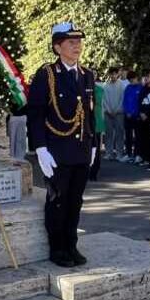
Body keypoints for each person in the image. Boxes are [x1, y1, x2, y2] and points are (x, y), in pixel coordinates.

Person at [27, 22, 96, 268]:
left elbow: (90, 113)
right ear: (58, 47)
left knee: (75, 200)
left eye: (79, 42)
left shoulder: (87, 74)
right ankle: (58, 249)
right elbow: (35, 113)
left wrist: (93, 144)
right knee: (58, 200)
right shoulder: (47, 74)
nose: (77, 46)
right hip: (57, 150)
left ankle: (71, 244)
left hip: (80, 149)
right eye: (71, 42)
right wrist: (40, 148)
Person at [101, 67, 125, 160]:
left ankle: (119, 153)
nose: (113, 76)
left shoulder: (122, 85)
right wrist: (108, 109)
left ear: (117, 74)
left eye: (115, 74)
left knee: (120, 133)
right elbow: (104, 99)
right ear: (109, 75)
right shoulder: (105, 85)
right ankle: (109, 153)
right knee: (108, 134)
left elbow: (122, 99)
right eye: (111, 74)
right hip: (108, 113)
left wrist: (118, 109)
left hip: (119, 113)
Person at [136, 70, 150, 167]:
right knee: (143, 139)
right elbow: (139, 102)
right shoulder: (143, 89)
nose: (146, 78)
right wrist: (141, 113)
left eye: (148, 76)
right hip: (142, 118)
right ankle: (145, 158)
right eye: (145, 76)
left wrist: (148, 114)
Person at [120, 70, 142, 163]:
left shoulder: (141, 88)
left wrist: (133, 112)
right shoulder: (128, 88)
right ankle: (128, 154)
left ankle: (137, 154)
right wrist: (127, 111)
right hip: (127, 115)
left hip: (136, 116)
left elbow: (139, 103)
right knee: (128, 136)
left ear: (137, 78)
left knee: (137, 136)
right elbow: (124, 101)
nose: (132, 81)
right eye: (130, 79)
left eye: (133, 79)